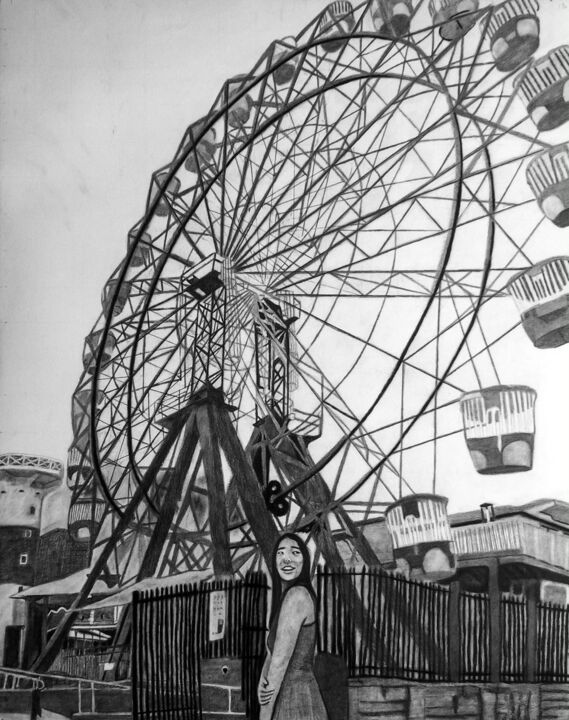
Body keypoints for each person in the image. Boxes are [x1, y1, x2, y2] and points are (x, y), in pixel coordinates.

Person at [258, 533, 329, 720]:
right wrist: (261, 680)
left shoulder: (296, 596)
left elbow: (279, 665)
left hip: (295, 698)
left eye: (294, 552)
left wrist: (264, 715)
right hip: (296, 695)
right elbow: (272, 653)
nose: (286, 558)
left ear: (304, 561)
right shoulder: (287, 597)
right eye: (280, 553)